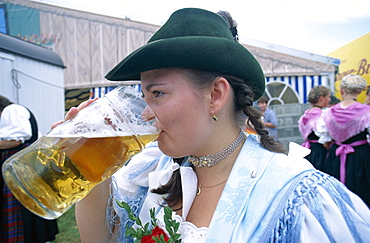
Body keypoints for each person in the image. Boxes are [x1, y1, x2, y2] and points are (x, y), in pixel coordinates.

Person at [55, 8, 370, 242]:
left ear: (216, 95)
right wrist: (90, 170)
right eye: (143, 95)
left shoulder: (297, 198)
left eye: (157, 93)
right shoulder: (150, 172)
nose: (145, 113)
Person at [0, 95, 59, 242]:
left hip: (19, 168)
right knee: (31, 204)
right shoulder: (16, 111)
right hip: (26, 166)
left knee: (23, 206)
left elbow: (15, 140)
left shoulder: (12, 110)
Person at [317, 74, 370, 208]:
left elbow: (325, 140)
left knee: (337, 193)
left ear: (341, 91)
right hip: (360, 156)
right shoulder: (367, 112)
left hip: (335, 157)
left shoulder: (328, 112)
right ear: (359, 92)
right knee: (363, 192)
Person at [298, 85, 331, 170]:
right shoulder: (321, 115)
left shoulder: (305, 114)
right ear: (321, 98)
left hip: (308, 149)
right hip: (320, 151)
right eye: (328, 97)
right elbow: (325, 137)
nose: (329, 100)